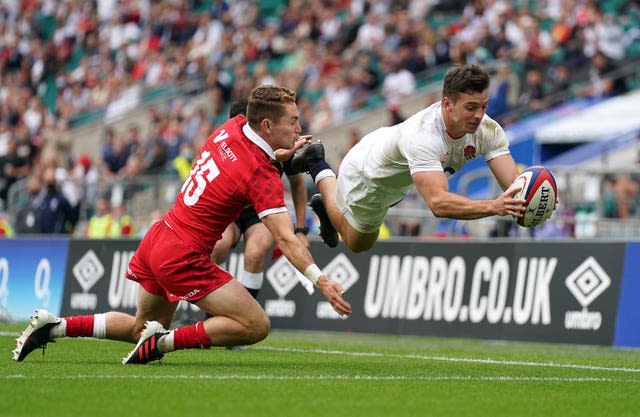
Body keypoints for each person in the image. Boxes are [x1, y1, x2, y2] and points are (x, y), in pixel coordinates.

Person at [13, 85, 352, 364]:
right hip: (183, 255)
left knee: (137, 327)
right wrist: (321, 281)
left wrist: (278, 155)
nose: (298, 127)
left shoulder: (230, 129)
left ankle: (54, 326)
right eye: (293, 121)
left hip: (159, 237)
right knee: (255, 325)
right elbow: (285, 237)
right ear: (266, 126)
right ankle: (160, 344)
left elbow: (249, 157)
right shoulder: (259, 174)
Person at [291, 64, 526, 252]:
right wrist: (494, 206)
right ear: (447, 104)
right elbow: (438, 204)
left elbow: (514, 186)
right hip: (368, 177)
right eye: (471, 107)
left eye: (483, 106)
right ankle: (318, 165)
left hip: (398, 178)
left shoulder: (488, 130)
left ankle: (326, 191)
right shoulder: (424, 136)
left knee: (366, 229)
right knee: (357, 243)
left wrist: (536, 196)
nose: (479, 115)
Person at [211, 97, 310, 303]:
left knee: (255, 254)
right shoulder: (225, 143)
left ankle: (246, 316)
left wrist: (300, 229)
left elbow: (298, 185)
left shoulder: (281, 146)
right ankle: (214, 315)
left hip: (260, 212)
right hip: (229, 210)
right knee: (218, 248)